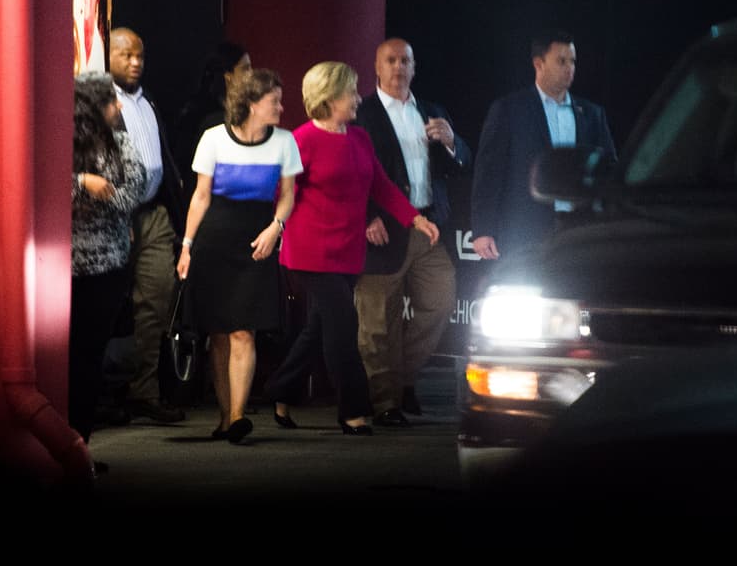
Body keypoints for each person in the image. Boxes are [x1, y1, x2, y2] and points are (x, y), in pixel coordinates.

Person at [262, 61, 440, 436]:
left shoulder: (359, 138)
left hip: (347, 251)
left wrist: (415, 219)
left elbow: (382, 186)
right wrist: (276, 227)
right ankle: (353, 411)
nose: (358, 98)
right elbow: (281, 195)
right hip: (310, 253)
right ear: (328, 98)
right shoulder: (301, 141)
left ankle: (279, 392)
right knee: (344, 326)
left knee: (318, 328)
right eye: (351, 92)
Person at [175, 69, 301, 444]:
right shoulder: (213, 139)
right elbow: (200, 196)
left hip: (256, 240)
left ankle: (237, 416)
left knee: (245, 330)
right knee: (218, 332)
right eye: (273, 100)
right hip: (215, 240)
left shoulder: (285, 141)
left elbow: (289, 194)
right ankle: (224, 417)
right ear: (250, 104)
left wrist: (275, 228)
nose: (281, 106)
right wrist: (186, 245)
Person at [353, 38, 471, 426]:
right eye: (391, 60)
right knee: (376, 321)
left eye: (406, 60)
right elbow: (353, 171)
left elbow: (461, 163)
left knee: (440, 299)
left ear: (415, 67)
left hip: (426, 224)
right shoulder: (363, 113)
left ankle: (401, 380)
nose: (399, 67)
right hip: (382, 228)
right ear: (377, 67)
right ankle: (384, 401)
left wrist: (452, 142)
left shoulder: (431, 111)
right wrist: (368, 216)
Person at [471, 32, 615, 262]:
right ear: (538, 63)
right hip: (525, 227)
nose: (570, 68)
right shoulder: (509, 110)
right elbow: (489, 172)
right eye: (561, 61)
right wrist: (482, 228)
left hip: (580, 228)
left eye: (572, 61)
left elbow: (609, 169)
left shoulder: (591, 114)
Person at [108, 27, 189, 423]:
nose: (135, 62)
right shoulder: (98, 102)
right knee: (105, 307)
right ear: (108, 56)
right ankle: (102, 397)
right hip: (113, 217)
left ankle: (146, 392)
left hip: (154, 212)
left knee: (157, 300)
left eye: (140, 55)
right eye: (126, 55)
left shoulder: (149, 100)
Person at [70, 72, 145, 451]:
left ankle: (80, 446)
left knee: (89, 358)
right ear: (90, 106)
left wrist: (101, 193)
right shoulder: (59, 141)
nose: (118, 107)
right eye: (110, 100)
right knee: (59, 359)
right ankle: (60, 446)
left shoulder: (123, 144)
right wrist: (84, 183)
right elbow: (43, 191)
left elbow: (132, 194)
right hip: (58, 270)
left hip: (108, 269)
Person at [173, 41, 252, 189]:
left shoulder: (243, 111)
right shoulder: (204, 116)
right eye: (245, 69)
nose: (251, 75)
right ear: (228, 76)